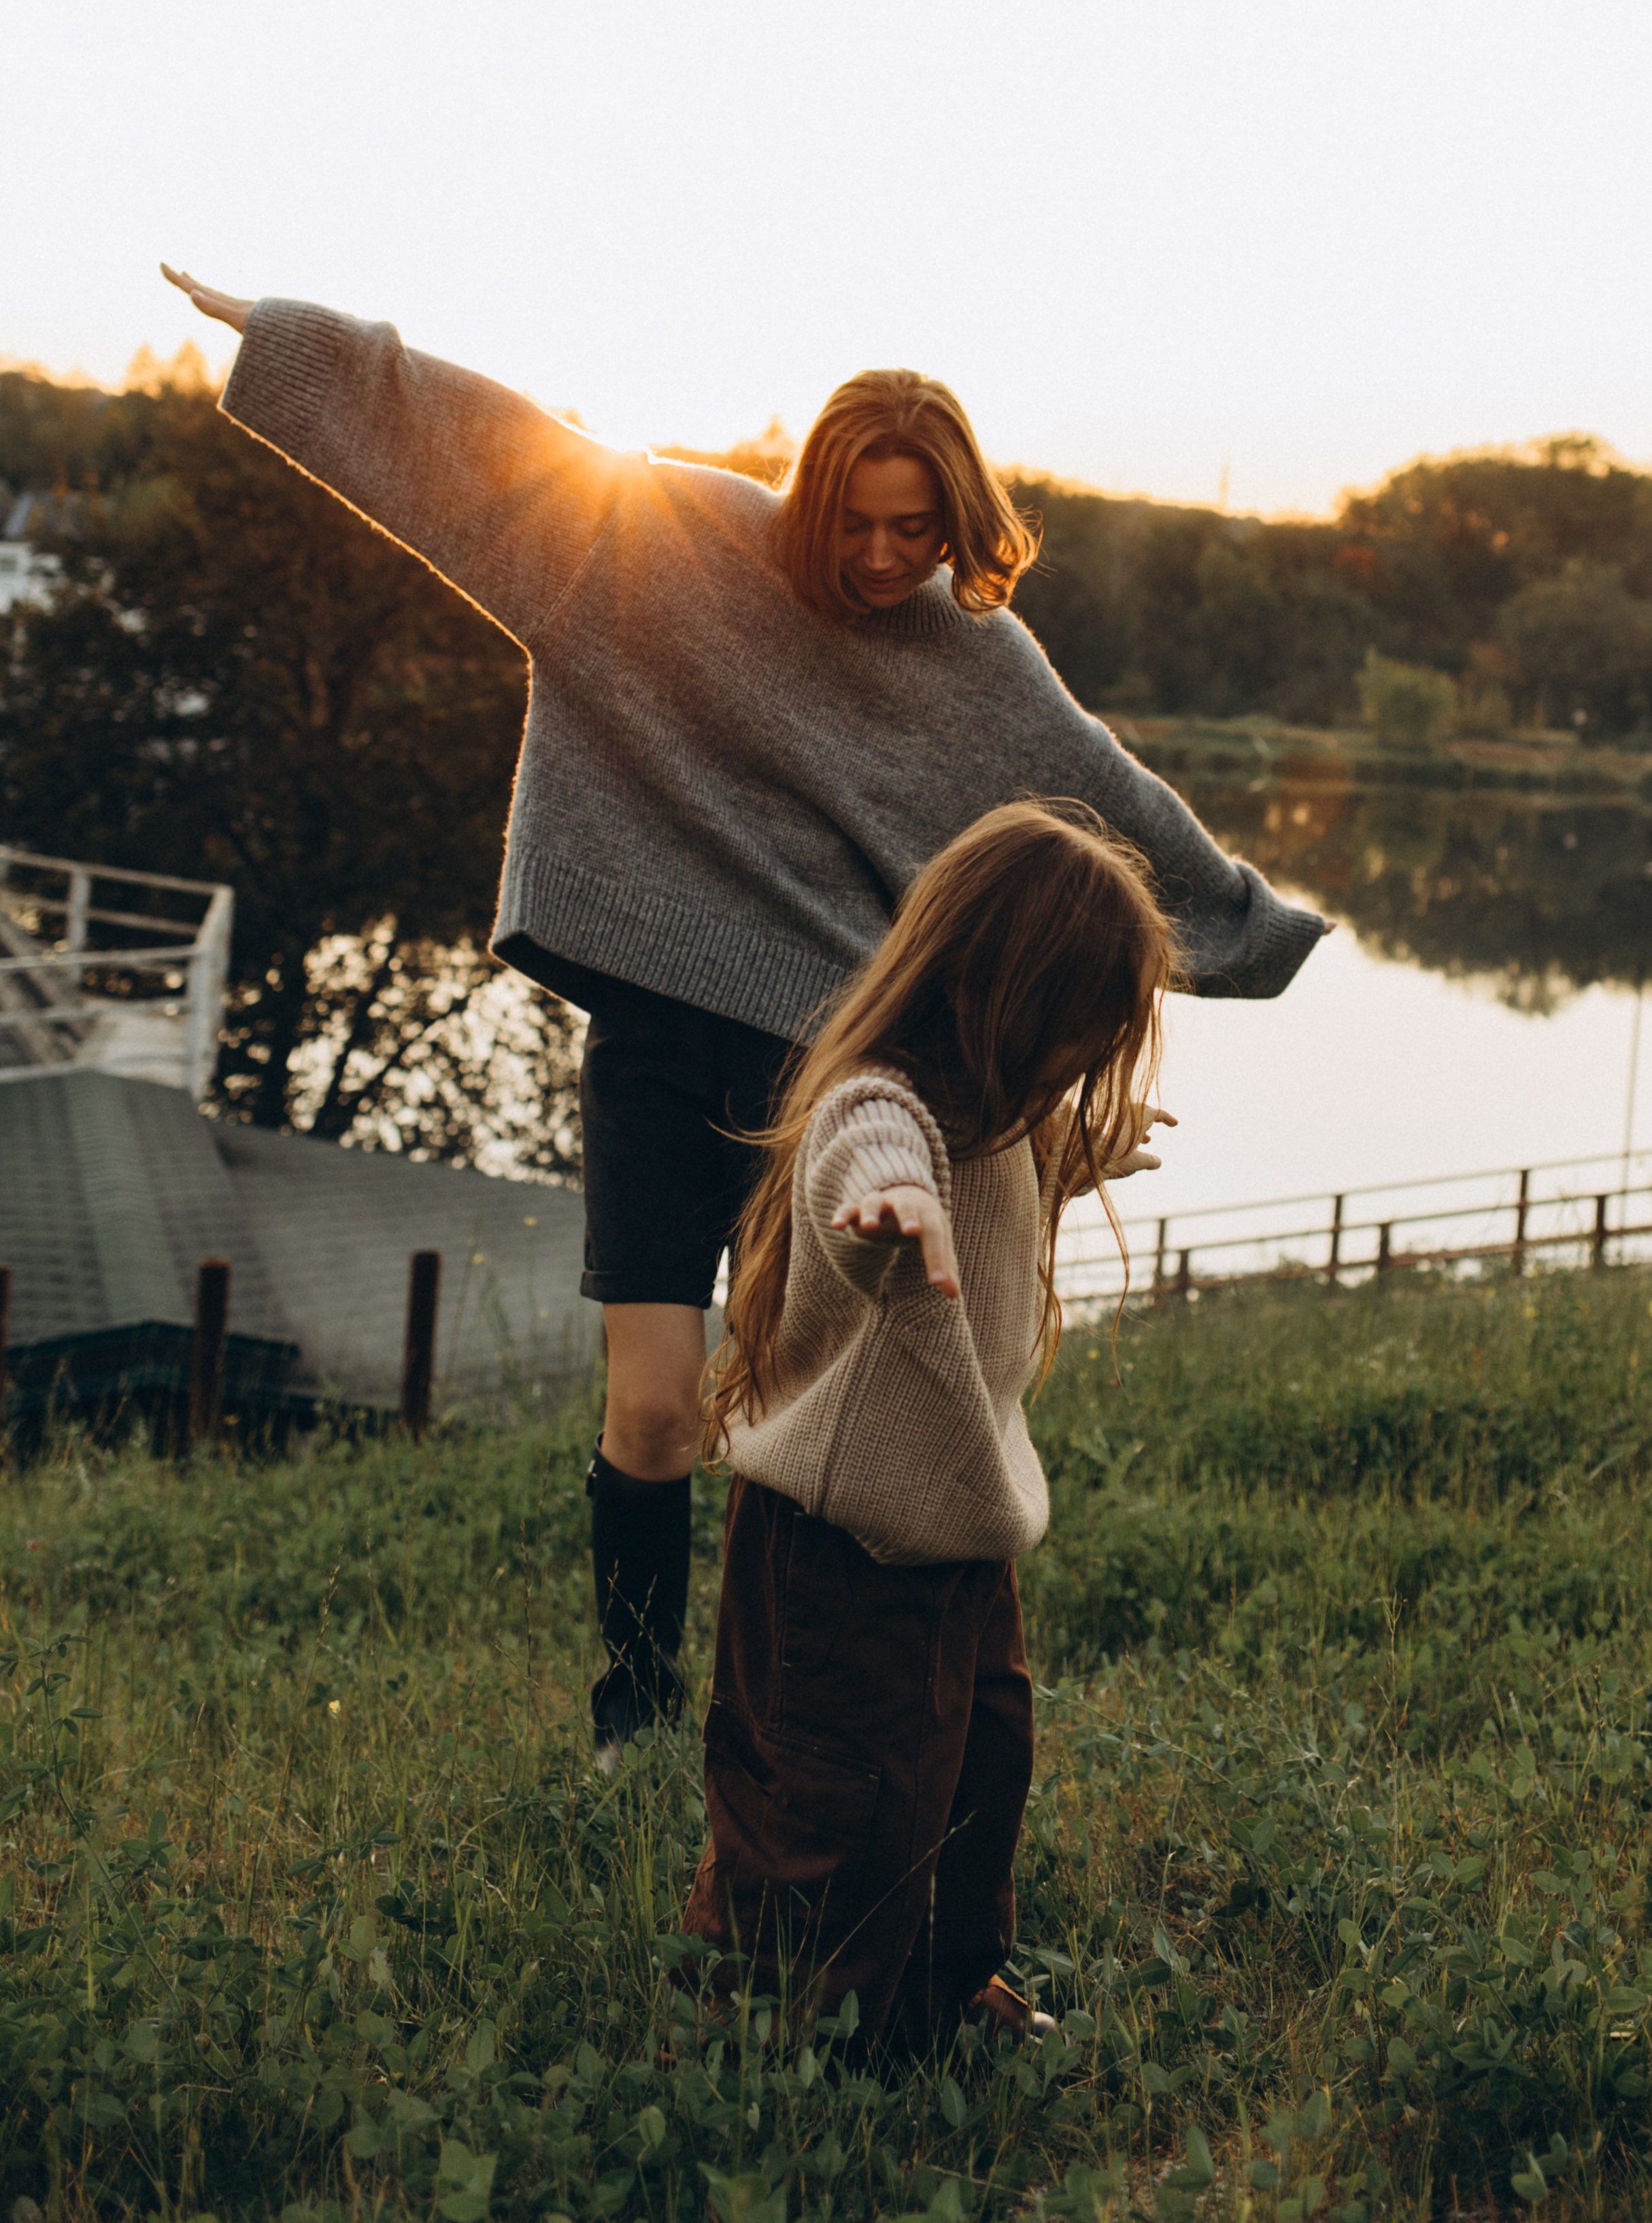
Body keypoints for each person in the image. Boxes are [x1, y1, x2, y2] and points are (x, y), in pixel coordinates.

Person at [161, 263, 1326, 1760]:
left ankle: (756, 1717)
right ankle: (633, 1714)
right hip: (657, 1038)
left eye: (920, 526)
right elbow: (486, 449)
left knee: (787, 1426)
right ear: (810, 493)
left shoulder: (979, 665)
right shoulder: (669, 547)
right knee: (650, 1411)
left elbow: (1102, 801)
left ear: (959, 520)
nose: (887, 553)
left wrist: (1248, 924)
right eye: (859, 519)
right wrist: (291, 341)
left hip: (835, 1074)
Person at [684, 801, 1175, 2048]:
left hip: (957, 1536)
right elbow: (870, 1151)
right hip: (836, 1546)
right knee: (843, 1794)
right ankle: (807, 2029)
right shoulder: (882, 1104)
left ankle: (945, 1991)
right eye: (1079, 1031)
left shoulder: (997, 1117)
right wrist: (892, 1202)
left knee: (974, 1773)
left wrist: (1082, 1153)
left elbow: (1001, 1167)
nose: (1083, 1059)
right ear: (998, 989)